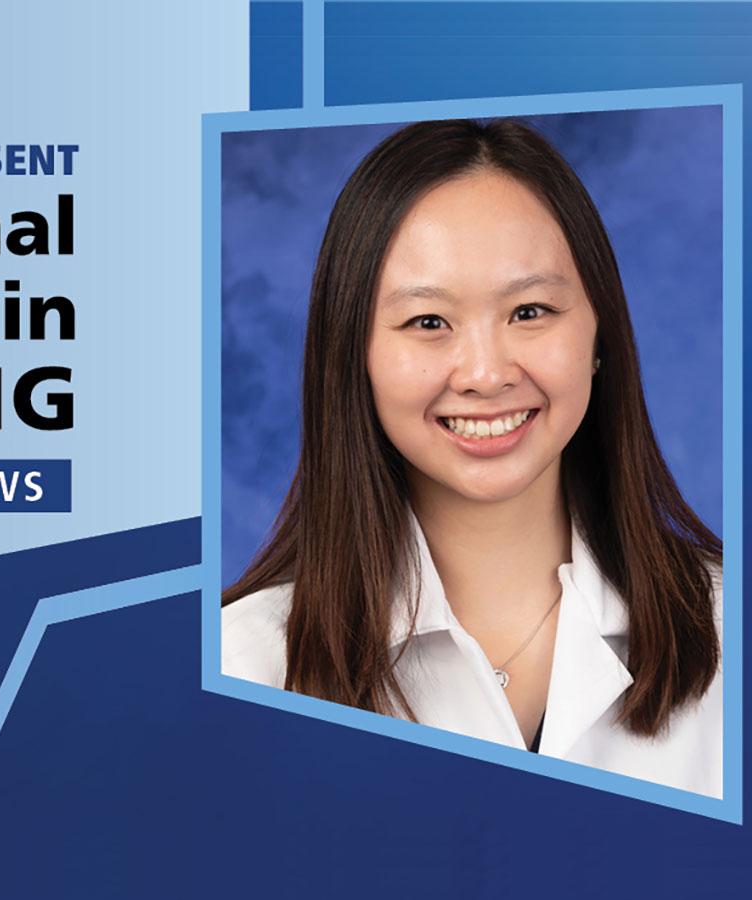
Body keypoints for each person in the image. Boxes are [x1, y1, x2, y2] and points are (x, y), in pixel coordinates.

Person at [220, 119, 723, 797]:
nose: (486, 373)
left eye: (530, 311)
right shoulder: (240, 667)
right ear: (354, 357)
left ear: (600, 334)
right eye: (428, 322)